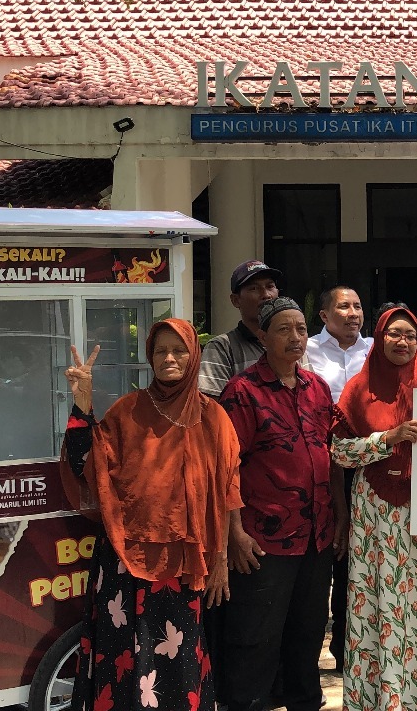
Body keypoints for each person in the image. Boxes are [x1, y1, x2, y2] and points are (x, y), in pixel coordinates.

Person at [60, 319, 240, 711]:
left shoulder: (215, 419)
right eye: (160, 351)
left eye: (179, 350)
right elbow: (87, 465)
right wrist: (84, 402)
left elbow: (227, 496)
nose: (170, 358)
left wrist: (221, 560)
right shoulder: (129, 411)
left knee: (178, 657)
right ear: (149, 358)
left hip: (183, 565)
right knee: (125, 655)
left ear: (194, 356)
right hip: (125, 560)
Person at [217, 298, 346, 711]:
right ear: (262, 337)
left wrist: (341, 519)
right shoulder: (242, 392)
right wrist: (233, 534)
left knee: (306, 635)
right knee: (255, 637)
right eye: (283, 329)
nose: (295, 337)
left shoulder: (318, 389)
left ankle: (305, 703)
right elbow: (225, 468)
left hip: (316, 537)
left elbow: (334, 457)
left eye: (301, 329)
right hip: (263, 540)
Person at [330, 306, 417, 711]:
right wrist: (388, 437)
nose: (403, 342)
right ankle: (379, 701)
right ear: (379, 337)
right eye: (394, 334)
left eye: (411, 335)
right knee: (377, 602)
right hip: (375, 512)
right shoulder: (358, 388)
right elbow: (339, 452)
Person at [304, 285, 372, 673]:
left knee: (353, 560)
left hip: (365, 465)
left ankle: (351, 656)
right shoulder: (307, 350)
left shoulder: (375, 350)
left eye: (358, 306)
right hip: (316, 464)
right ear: (324, 315)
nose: (353, 313)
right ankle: (305, 659)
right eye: (344, 306)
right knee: (322, 557)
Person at [199, 260, 282, 398]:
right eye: (254, 288)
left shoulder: (293, 342)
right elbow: (212, 408)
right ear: (235, 300)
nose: (266, 295)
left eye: (270, 286)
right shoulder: (222, 347)